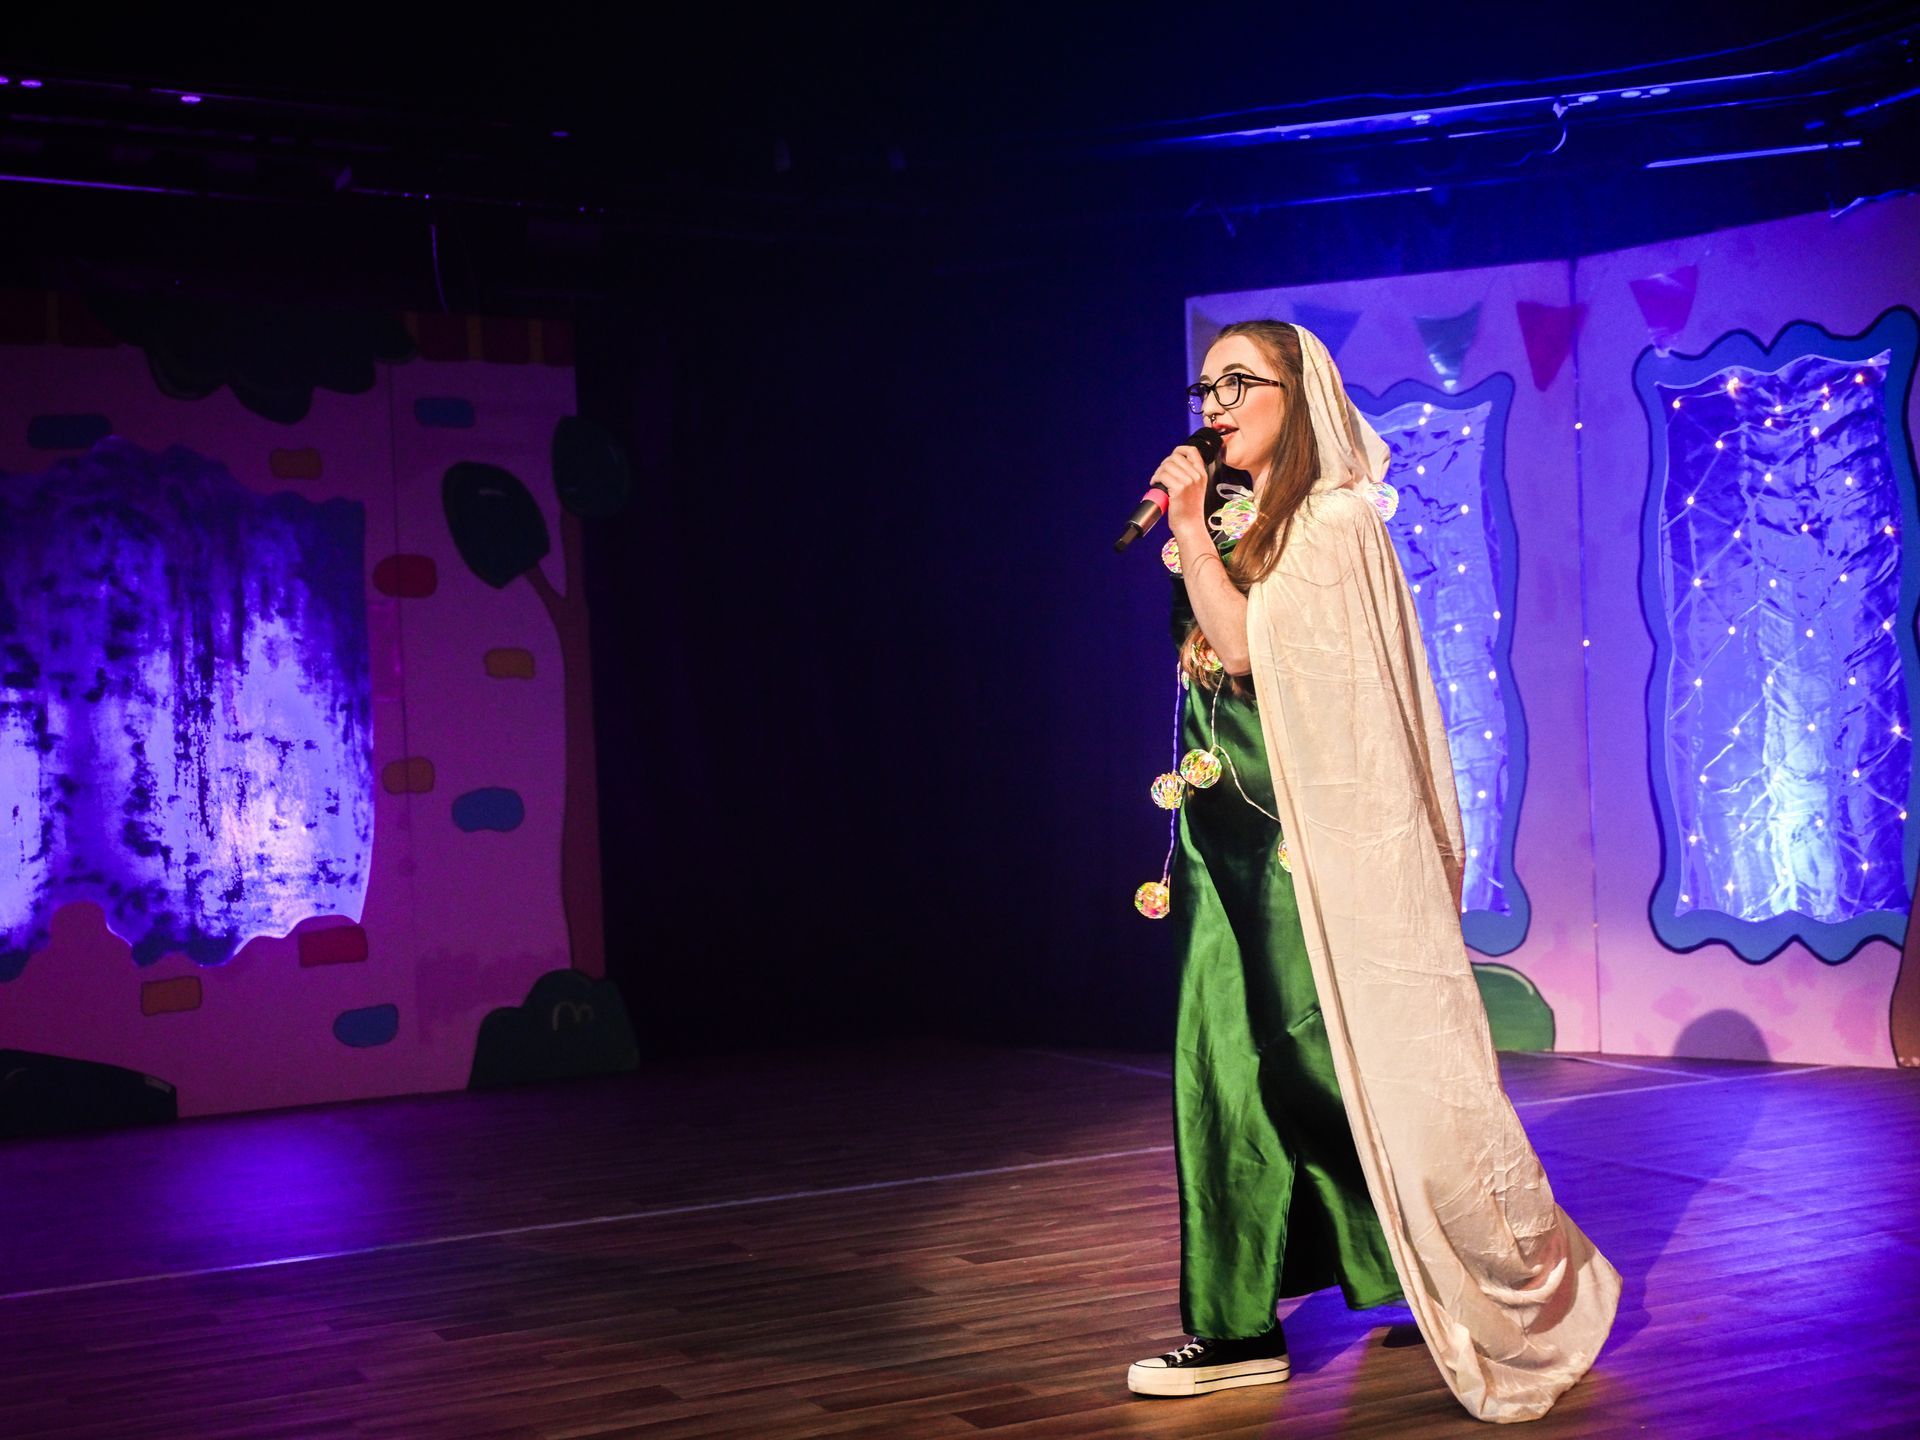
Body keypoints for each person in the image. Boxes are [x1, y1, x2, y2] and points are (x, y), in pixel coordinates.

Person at [1124, 321, 1619, 1422]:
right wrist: (1203, 528)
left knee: (1333, 1067)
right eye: (1206, 386)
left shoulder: (1334, 522)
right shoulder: (1240, 514)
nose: (1215, 403)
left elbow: (1246, 649)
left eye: (1240, 382)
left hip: (1305, 844)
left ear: (1299, 395)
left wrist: (1193, 531)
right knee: (1222, 1073)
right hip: (1220, 835)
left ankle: (1494, 1271)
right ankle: (1237, 1325)